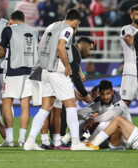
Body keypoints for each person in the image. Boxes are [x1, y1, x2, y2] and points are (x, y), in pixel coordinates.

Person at [23, 9, 93, 151]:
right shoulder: (68, 29)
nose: (76, 26)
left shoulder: (51, 26)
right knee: (71, 104)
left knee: (46, 108)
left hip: (46, 70)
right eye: (77, 24)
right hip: (58, 69)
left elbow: (39, 47)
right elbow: (61, 47)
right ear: (76, 21)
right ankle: (75, 143)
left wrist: (46, 64)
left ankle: (29, 142)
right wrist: (67, 66)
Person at [0, 10, 38, 147]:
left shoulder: (8, 29)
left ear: (11, 20)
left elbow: (1, 50)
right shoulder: (34, 30)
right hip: (31, 71)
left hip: (14, 70)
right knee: (25, 105)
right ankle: (22, 139)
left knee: (7, 102)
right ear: (23, 19)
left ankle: (9, 140)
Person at [44, 36, 94, 150]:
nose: (90, 52)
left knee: (52, 109)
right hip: (54, 78)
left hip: (50, 76)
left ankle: (52, 139)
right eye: (90, 49)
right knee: (60, 108)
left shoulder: (70, 49)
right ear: (82, 45)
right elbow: (75, 76)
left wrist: (74, 90)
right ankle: (58, 138)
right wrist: (84, 93)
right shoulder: (74, 50)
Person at [62, 80, 131, 147]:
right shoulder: (99, 103)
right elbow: (79, 112)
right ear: (99, 94)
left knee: (104, 122)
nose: (106, 97)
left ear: (112, 92)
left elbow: (108, 116)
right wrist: (87, 118)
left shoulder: (120, 104)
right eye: (102, 94)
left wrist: (92, 120)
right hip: (104, 138)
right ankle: (65, 140)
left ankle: (88, 141)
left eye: (108, 93)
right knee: (84, 119)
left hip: (120, 141)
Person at [120, 4, 138, 107]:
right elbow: (130, 42)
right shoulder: (126, 29)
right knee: (126, 102)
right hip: (130, 69)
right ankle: (120, 122)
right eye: (136, 14)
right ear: (131, 16)